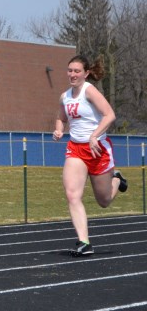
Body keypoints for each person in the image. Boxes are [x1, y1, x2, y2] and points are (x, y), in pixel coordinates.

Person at [52, 55, 127, 257]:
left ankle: (117, 180)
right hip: (76, 149)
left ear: (86, 73)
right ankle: (84, 242)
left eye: (77, 71)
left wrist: (94, 136)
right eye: (70, 70)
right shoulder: (65, 96)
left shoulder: (89, 91)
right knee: (72, 194)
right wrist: (58, 130)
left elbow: (110, 115)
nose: (72, 74)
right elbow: (61, 118)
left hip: (97, 149)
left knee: (103, 201)